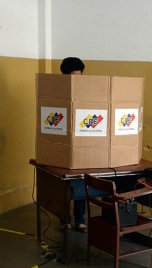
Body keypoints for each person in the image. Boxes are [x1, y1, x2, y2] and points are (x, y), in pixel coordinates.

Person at [60, 57, 87, 233]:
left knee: (81, 182)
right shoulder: (57, 90)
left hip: (82, 142)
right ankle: (64, 219)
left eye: (79, 76)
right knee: (63, 186)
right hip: (63, 144)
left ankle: (79, 219)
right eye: (73, 77)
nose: (77, 81)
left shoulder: (86, 89)